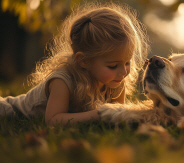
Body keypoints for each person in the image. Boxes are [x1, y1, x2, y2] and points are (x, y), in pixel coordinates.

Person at [0, 2, 149, 126]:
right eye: (112, 66)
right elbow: (53, 120)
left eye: (127, 62)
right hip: (8, 110)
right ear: (84, 61)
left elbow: (115, 118)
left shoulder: (116, 82)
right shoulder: (63, 80)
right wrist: (99, 114)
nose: (123, 71)